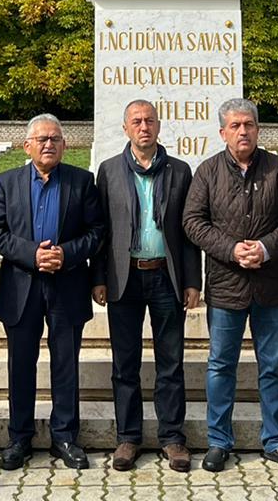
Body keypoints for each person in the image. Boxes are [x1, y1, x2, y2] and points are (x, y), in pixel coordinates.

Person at [181, 97, 278, 473]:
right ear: (222, 132)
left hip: (271, 286)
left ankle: (275, 440)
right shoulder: (207, 172)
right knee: (221, 365)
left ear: (257, 129)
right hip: (226, 286)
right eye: (235, 126)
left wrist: (267, 248)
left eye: (249, 125)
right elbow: (192, 221)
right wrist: (232, 249)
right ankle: (219, 441)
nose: (243, 131)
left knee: (273, 366)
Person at [0, 113, 105, 470]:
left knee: (66, 364)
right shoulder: (6, 182)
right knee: (20, 365)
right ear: (28, 146)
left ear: (65, 145)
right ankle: (19, 438)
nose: (49, 144)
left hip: (67, 284)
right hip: (21, 286)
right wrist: (33, 255)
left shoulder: (82, 182)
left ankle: (65, 437)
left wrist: (65, 254)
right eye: (41, 139)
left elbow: (96, 231)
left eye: (55, 139)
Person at [92, 99, 203, 472]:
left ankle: (173, 438)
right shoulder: (108, 172)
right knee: (125, 363)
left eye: (149, 121)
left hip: (165, 277)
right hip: (124, 278)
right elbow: (101, 232)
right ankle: (128, 437)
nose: (144, 127)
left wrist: (192, 280)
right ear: (125, 128)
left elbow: (188, 233)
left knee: (170, 362)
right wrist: (99, 278)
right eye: (136, 121)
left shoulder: (179, 171)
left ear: (158, 127)